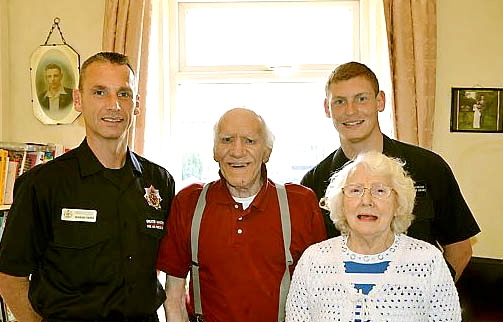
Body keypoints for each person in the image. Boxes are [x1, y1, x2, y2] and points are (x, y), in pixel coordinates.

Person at [0, 52, 175, 322]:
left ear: (136, 104)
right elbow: (10, 276)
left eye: (124, 94)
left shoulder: (160, 182)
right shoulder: (43, 184)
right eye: (100, 92)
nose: (114, 105)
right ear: (78, 99)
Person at [301, 61, 480, 281]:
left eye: (361, 99)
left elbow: (460, 248)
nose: (350, 111)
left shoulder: (430, 167)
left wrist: (432, 299)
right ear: (328, 109)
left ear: (380, 101)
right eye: (340, 101)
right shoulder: (313, 183)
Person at [156, 107, 327, 322]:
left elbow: (321, 294)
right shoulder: (189, 202)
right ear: (215, 150)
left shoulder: (300, 203)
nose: (237, 151)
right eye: (227, 140)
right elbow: (173, 296)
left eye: (249, 141)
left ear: (267, 152)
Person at [286, 151, 462, 321]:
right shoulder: (313, 260)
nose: (366, 201)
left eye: (380, 191)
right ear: (341, 203)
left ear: (398, 203)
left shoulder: (428, 261)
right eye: (355, 190)